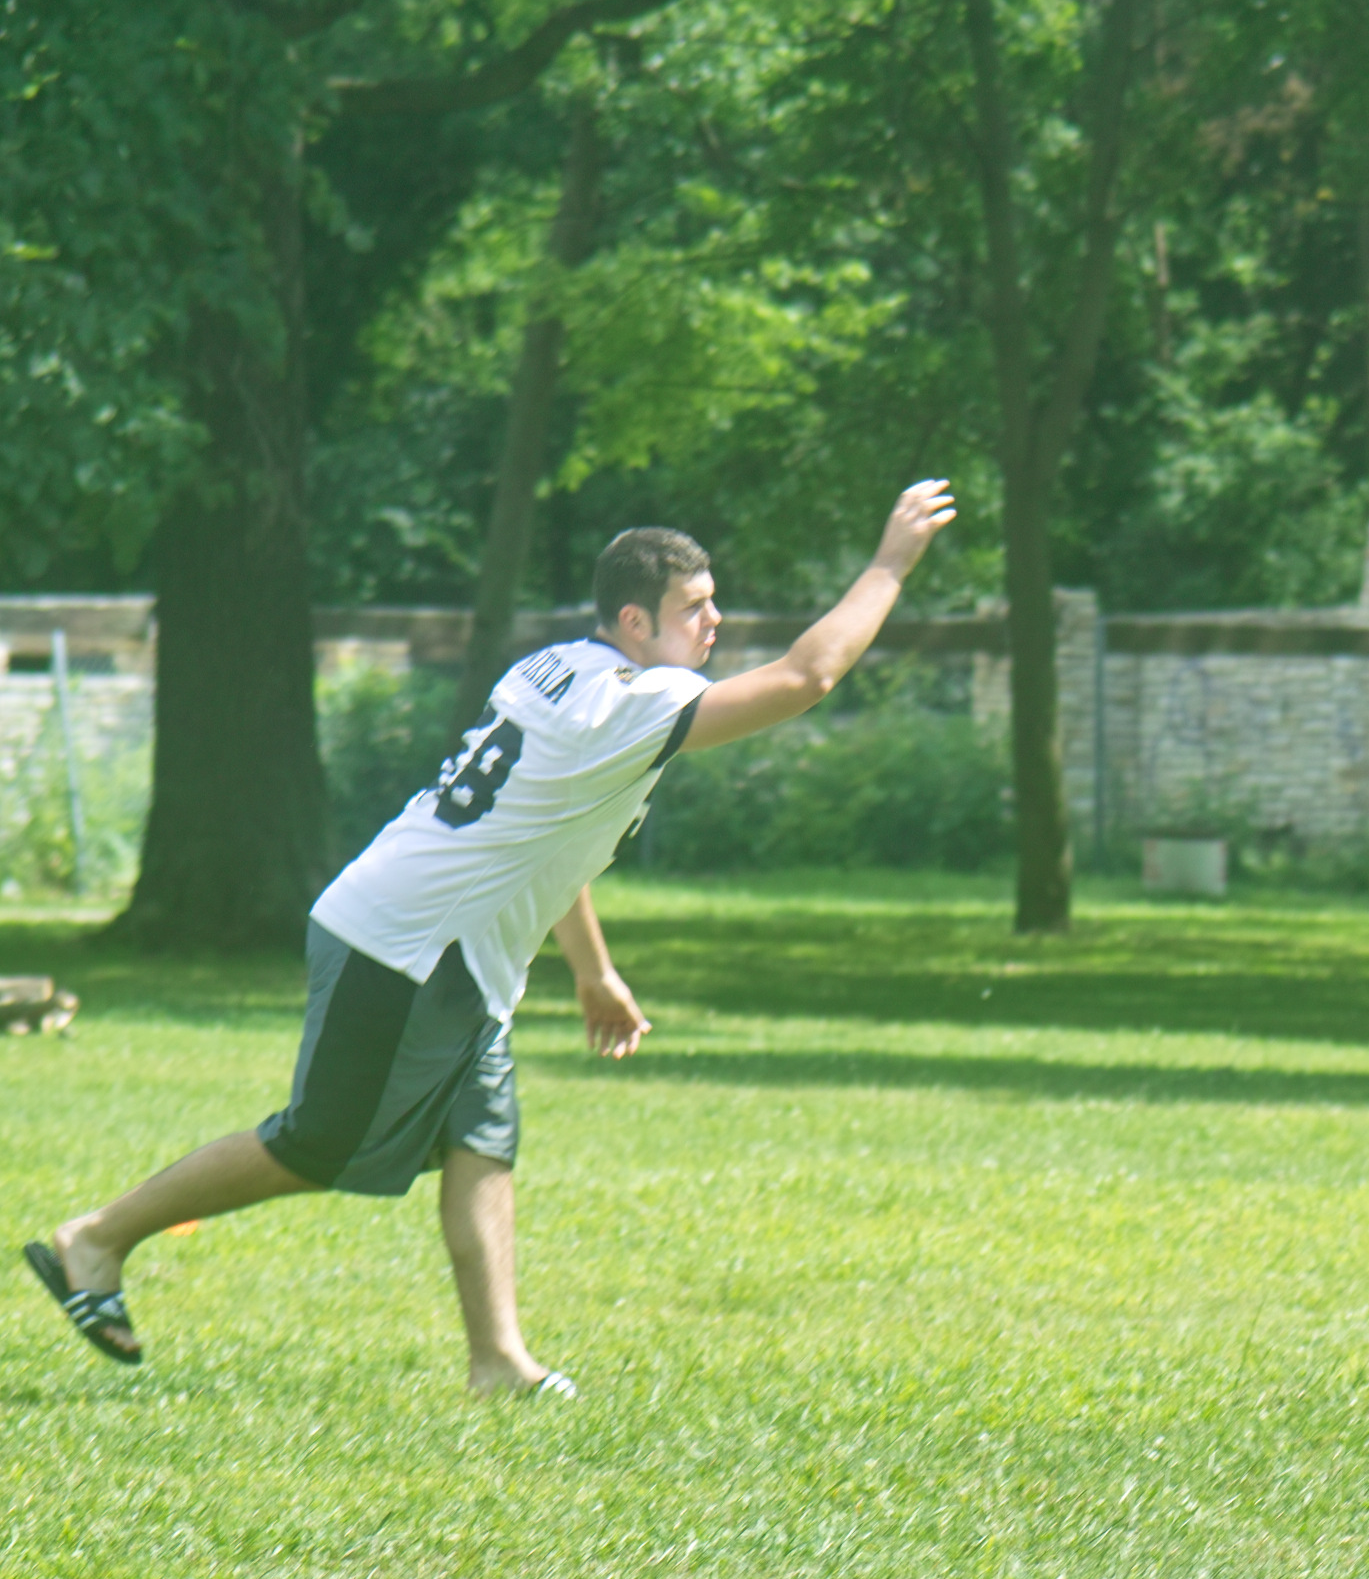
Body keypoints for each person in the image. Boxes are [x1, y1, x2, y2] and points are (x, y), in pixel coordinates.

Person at [23, 479, 956, 1396]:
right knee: (315, 1145)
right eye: (693, 608)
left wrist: (593, 971)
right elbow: (805, 677)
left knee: (481, 1140)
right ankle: (93, 1240)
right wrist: (889, 563)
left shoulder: (557, 668)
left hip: (447, 951)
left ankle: (500, 1362)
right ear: (635, 621)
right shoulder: (627, 700)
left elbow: (542, 838)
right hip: (406, 945)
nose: (714, 622)